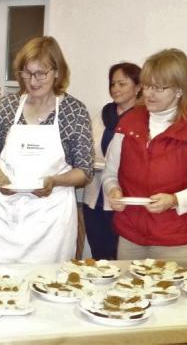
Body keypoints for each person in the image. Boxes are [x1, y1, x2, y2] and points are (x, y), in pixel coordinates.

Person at [0, 36, 93, 265]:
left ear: (57, 72)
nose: (33, 81)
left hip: (51, 216)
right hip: (2, 213)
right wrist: (0, 177)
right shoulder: (7, 106)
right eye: (26, 73)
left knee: (47, 281)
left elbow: (84, 170)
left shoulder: (74, 110)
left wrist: (54, 181)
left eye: (41, 73)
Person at [102, 48, 187, 260]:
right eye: (147, 85)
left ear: (179, 89)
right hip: (130, 234)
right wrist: (113, 191)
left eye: (158, 87)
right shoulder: (128, 123)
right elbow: (110, 173)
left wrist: (175, 200)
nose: (148, 93)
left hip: (175, 238)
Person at [82, 62, 141, 260]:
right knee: (99, 258)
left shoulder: (143, 119)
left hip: (122, 201)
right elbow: (87, 146)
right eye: (113, 84)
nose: (115, 89)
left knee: (121, 260)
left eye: (122, 84)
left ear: (138, 87)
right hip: (94, 199)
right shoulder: (102, 114)